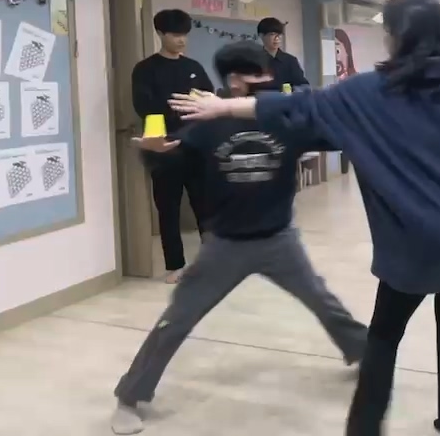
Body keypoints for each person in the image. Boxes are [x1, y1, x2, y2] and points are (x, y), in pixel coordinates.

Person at [170, 0, 440, 436]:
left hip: (419, 241)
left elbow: (299, 106)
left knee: (384, 336)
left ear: (394, 37)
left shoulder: (371, 92)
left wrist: (223, 106)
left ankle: (364, 429)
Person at [111, 41, 367, 435]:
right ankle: (130, 396)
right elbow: (174, 159)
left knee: (323, 300)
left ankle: (367, 354)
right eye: (235, 74)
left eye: (250, 73)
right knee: (177, 319)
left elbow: (339, 134)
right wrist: (153, 152)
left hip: (279, 240)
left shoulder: (285, 119)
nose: (240, 81)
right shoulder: (208, 122)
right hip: (224, 245)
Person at [131, 9, 212, 283]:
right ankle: (175, 265)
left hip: (196, 147)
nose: (181, 40)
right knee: (168, 209)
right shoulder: (146, 69)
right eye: (175, 35)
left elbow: (208, 99)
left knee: (206, 207)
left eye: (184, 35)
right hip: (163, 149)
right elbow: (145, 107)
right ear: (160, 33)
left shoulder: (193, 67)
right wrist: (176, 113)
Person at [256, 17, 309, 89]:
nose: (277, 38)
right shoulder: (254, 61)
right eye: (272, 34)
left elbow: (303, 85)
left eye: (279, 34)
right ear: (261, 35)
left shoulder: (290, 61)